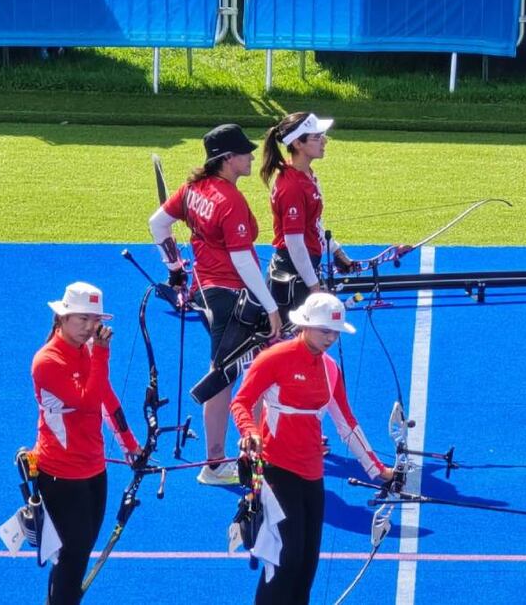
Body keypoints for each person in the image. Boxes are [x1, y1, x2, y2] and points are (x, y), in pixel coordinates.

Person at [231, 292, 392, 604]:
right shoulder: (274, 358)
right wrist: (249, 430)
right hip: (276, 469)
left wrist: (378, 470)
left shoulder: (331, 370)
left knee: (307, 564)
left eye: (335, 332)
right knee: (284, 559)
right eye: (325, 331)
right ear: (305, 326)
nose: (331, 337)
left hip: (312, 474)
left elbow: (347, 423)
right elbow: (241, 401)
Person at [148, 123, 283, 486]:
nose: (252, 156)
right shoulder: (229, 201)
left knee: (244, 368)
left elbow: (158, 224)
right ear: (227, 160)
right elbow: (242, 261)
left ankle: (246, 448)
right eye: (244, 152)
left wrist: (174, 268)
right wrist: (270, 306)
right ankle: (215, 462)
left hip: (209, 291)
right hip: (234, 297)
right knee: (226, 375)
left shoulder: (194, 189)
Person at [31, 282, 141, 604]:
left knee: (77, 553)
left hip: (94, 470)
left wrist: (130, 444)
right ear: (61, 319)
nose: (91, 328)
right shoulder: (47, 361)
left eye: (95, 320)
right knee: (72, 556)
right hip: (61, 476)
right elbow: (88, 401)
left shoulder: (87, 352)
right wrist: (102, 353)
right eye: (82, 319)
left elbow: (107, 396)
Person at [260, 112, 359, 315]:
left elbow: (313, 224)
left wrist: (337, 251)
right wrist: (314, 288)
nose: (325, 141)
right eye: (317, 137)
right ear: (298, 144)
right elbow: (295, 243)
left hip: (301, 270)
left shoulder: (305, 174)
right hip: (294, 273)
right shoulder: (293, 186)